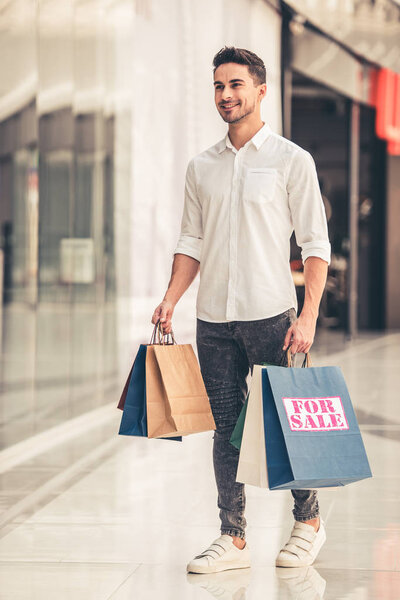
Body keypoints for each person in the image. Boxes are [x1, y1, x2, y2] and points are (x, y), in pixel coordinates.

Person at [151, 46, 330, 574]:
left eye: (235, 85)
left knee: (287, 422)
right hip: (213, 320)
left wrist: (309, 316)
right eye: (217, 87)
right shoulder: (201, 167)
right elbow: (192, 240)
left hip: (273, 315)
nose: (225, 95)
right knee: (225, 425)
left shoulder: (292, 160)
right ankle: (233, 537)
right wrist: (170, 299)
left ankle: (309, 520)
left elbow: (315, 245)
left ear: (260, 90)